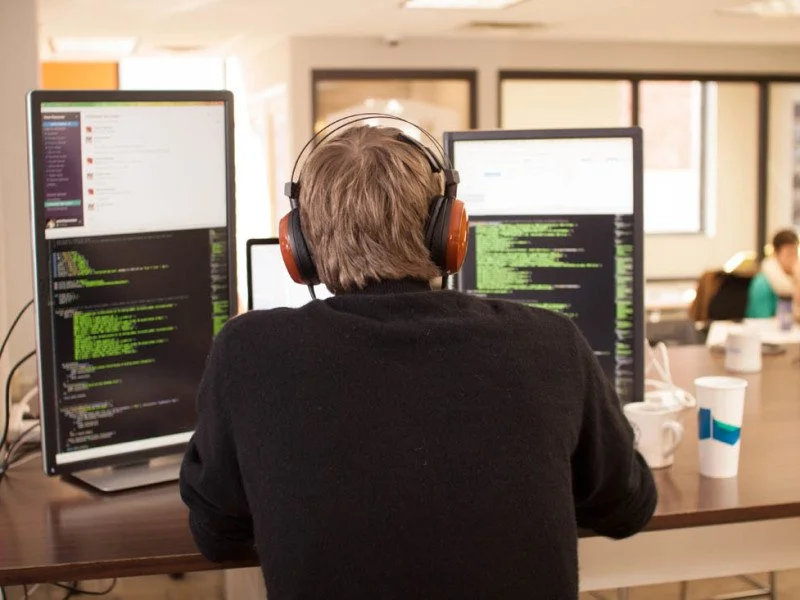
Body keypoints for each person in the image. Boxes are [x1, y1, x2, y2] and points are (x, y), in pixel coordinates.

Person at [179, 122, 657, 600]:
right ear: (450, 231)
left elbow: (217, 537)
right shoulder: (552, 342)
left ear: (299, 244)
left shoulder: (248, 352)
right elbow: (627, 508)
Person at [745, 229, 799, 318]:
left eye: (795, 253)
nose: (794, 259)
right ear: (776, 254)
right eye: (789, 254)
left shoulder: (795, 277)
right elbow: (762, 319)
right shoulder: (762, 283)